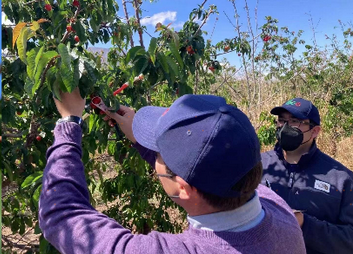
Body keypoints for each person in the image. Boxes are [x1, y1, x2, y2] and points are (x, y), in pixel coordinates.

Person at [38, 88, 306, 254]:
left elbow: (61, 214)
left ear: (183, 188)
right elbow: (203, 167)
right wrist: (146, 139)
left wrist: (69, 121)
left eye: (159, 156)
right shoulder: (278, 209)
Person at [261, 97, 353, 254]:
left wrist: (305, 224)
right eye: (282, 120)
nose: (285, 127)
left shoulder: (341, 179)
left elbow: (349, 240)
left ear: (315, 131)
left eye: (295, 121)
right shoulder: (259, 165)